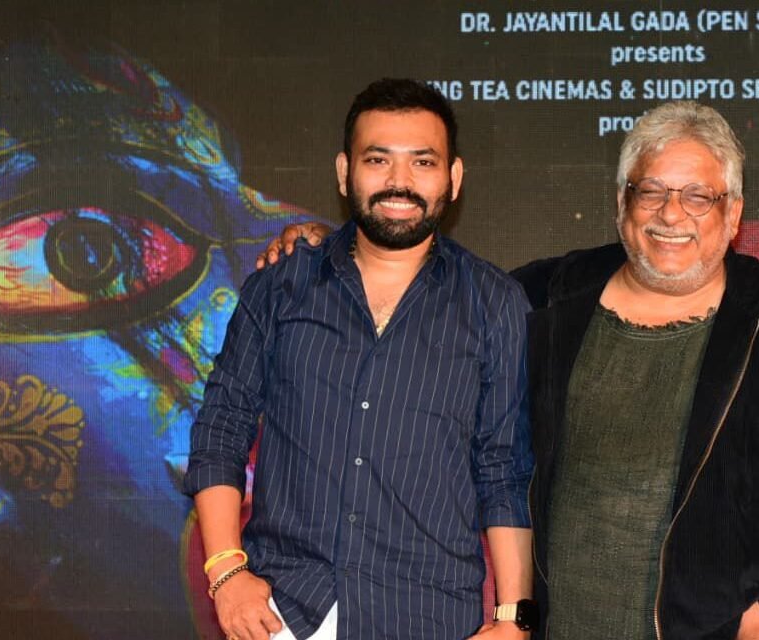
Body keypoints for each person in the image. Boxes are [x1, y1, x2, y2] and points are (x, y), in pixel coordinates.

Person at [265, 100, 759, 639]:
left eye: (697, 196)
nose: (671, 214)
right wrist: (334, 247)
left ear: (732, 214)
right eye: (651, 191)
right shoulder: (544, 297)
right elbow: (422, 293)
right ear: (621, 204)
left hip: (719, 629)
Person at [184, 78, 535, 640]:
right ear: (345, 172)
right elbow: (221, 428)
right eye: (378, 160)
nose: (399, 181)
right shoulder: (281, 285)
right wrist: (226, 572)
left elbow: (503, 470)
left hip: (428, 616)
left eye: (423, 162)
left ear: (453, 177)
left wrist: (513, 618)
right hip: (281, 610)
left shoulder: (495, 303)